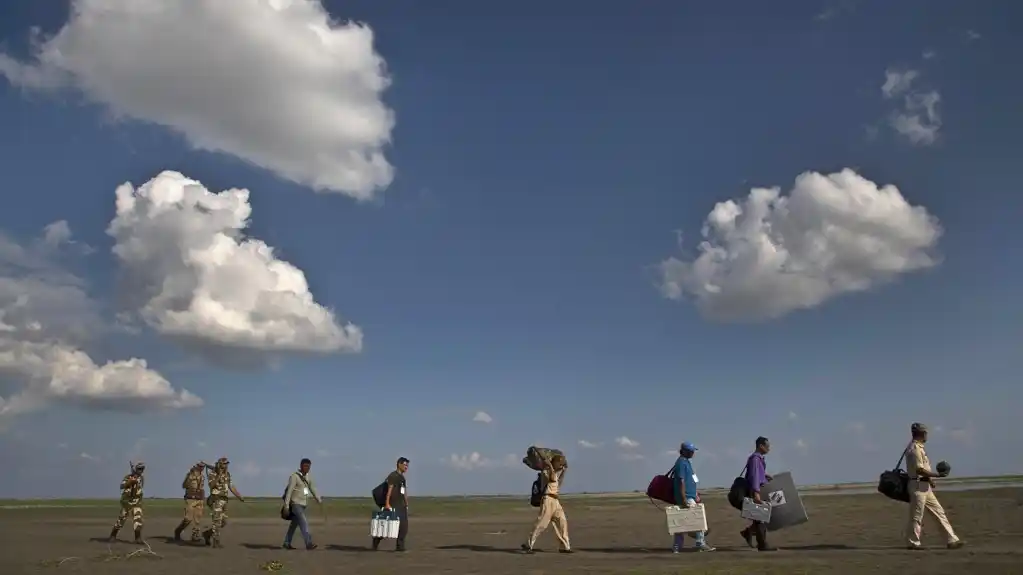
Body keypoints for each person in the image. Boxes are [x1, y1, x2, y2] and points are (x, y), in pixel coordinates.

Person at [904, 422, 964, 550]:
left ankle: (951, 539)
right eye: (925, 433)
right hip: (918, 486)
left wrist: (930, 480)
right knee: (917, 515)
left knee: (939, 512)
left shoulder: (919, 448)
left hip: (924, 486)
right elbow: (919, 470)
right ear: (920, 433)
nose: (927, 435)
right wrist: (937, 475)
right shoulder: (914, 449)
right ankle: (913, 542)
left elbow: (923, 468)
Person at [521, 453, 572, 554]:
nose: (561, 465)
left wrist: (563, 472)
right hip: (547, 499)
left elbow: (559, 481)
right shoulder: (546, 471)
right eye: (559, 463)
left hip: (555, 500)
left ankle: (565, 546)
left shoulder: (555, 472)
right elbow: (552, 477)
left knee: (562, 522)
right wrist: (549, 464)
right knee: (542, 524)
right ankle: (528, 544)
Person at [672, 442, 715, 552]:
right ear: (685, 451)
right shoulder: (681, 463)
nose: (693, 453)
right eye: (691, 451)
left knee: (680, 522)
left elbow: (691, 479)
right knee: (698, 519)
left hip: (690, 496)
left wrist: (695, 494)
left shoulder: (686, 462)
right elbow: (681, 481)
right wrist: (684, 499)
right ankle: (700, 543)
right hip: (686, 497)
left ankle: (677, 546)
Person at [739, 437, 776, 551]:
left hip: (756, 490)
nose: (769, 448)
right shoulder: (755, 459)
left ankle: (748, 533)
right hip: (754, 491)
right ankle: (762, 545)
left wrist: (765, 475)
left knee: (759, 517)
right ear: (761, 446)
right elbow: (754, 477)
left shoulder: (758, 459)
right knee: (760, 517)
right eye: (767, 446)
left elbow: (757, 474)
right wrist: (756, 494)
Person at [201, 457, 245, 548]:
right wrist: (218, 475)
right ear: (219, 464)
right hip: (215, 499)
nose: (226, 466)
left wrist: (239, 496)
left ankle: (207, 534)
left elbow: (231, 486)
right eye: (224, 464)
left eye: (227, 464)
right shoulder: (213, 474)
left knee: (223, 522)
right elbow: (211, 485)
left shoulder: (227, 474)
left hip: (224, 500)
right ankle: (216, 542)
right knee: (216, 521)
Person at [282, 458, 322, 550]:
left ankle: (286, 543)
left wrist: (318, 499)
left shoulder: (308, 477)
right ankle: (309, 543)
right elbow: (289, 491)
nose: (307, 468)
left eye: (308, 466)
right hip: (295, 504)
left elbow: (312, 488)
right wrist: (286, 505)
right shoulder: (294, 476)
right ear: (301, 466)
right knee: (304, 523)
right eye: (305, 466)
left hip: (303, 504)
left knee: (294, 525)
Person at [374, 457, 411, 552]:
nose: (406, 467)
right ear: (399, 464)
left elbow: (404, 491)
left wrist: (406, 503)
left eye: (407, 465)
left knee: (404, 527)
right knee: (388, 527)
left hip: (401, 505)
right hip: (393, 505)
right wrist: (387, 504)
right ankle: (376, 539)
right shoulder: (393, 476)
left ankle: (400, 547)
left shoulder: (402, 478)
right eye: (405, 465)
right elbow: (389, 491)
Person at [174, 461, 213, 543]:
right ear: (196, 466)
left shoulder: (202, 476)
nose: (201, 468)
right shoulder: (190, 475)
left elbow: (215, 469)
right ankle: (178, 531)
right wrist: (190, 477)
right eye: (199, 466)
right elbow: (184, 486)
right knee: (188, 518)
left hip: (199, 499)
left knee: (197, 519)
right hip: (191, 498)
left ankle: (195, 536)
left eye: (202, 467)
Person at [109, 461, 146, 544]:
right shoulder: (128, 477)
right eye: (139, 469)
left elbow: (140, 487)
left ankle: (138, 538)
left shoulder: (141, 478)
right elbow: (122, 486)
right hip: (127, 502)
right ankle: (113, 535)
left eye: (142, 469)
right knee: (121, 520)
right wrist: (130, 482)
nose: (141, 471)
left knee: (138, 520)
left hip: (136, 502)